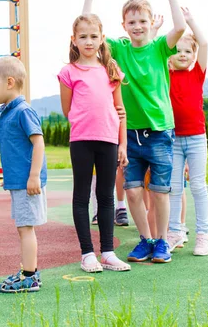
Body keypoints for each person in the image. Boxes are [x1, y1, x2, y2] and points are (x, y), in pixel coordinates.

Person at [83, 0, 186, 263]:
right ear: (124, 26)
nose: (138, 27)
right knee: (132, 191)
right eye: (132, 22)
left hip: (159, 130)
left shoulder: (159, 48)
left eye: (143, 21)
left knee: (160, 191)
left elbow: (180, 27)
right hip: (129, 134)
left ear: (152, 22)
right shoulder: (121, 49)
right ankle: (146, 240)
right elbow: (88, 30)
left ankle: (163, 242)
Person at [58, 14, 131, 273]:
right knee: (81, 196)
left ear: (102, 39)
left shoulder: (111, 71)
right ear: (74, 40)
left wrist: (122, 144)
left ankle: (108, 253)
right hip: (81, 140)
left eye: (93, 36)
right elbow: (67, 109)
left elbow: (120, 109)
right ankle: (88, 254)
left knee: (106, 197)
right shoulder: (69, 72)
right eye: (83, 37)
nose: (88, 42)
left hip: (109, 140)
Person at [0, 56, 48, 292]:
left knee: (26, 228)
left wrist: (33, 176)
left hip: (27, 183)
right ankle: (27, 271)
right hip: (19, 181)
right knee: (23, 227)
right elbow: (17, 149)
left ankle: (29, 276)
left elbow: (38, 143)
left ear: (9, 82)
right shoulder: (8, 112)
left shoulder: (23, 111)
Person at [164, 7, 208, 256]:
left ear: (193, 56)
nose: (182, 55)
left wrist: (191, 21)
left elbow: (203, 42)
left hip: (195, 139)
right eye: (177, 51)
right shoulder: (165, 75)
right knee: (174, 187)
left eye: (187, 51)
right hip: (172, 139)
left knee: (198, 186)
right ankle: (175, 232)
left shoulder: (197, 74)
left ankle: (203, 235)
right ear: (169, 55)